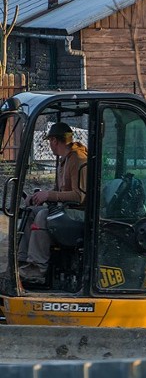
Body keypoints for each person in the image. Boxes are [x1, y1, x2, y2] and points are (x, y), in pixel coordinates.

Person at [18, 122, 88, 285]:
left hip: (80, 213)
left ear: (55, 141)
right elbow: (59, 191)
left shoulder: (79, 159)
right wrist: (38, 196)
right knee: (31, 211)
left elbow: (79, 196)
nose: (49, 145)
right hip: (66, 209)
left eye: (50, 141)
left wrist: (48, 195)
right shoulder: (64, 160)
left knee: (43, 216)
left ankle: (37, 268)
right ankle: (22, 261)